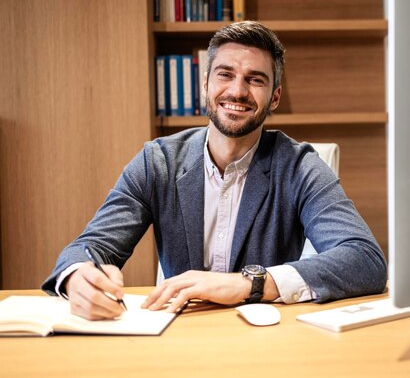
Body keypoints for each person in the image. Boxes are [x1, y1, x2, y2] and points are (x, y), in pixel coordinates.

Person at [42, 21, 387, 320]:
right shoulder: (157, 161)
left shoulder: (299, 166)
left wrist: (248, 283)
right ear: (205, 84)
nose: (237, 91)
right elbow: (90, 246)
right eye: (226, 75)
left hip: (269, 341)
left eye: (255, 80)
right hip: (180, 334)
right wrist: (77, 277)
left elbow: (365, 260)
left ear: (275, 96)